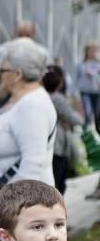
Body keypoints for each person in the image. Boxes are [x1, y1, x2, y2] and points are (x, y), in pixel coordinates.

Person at [0, 38, 57, 241]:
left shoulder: (33, 105)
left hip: (21, 212)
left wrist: (10, 211)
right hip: (10, 208)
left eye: (3, 69)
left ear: (17, 74)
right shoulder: (19, 100)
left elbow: (33, 164)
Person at [43, 65, 84, 195]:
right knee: (57, 184)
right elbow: (76, 119)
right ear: (60, 82)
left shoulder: (38, 97)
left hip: (45, 144)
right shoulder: (57, 98)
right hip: (58, 146)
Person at [72, 41, 100, 132]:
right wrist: (74, 92)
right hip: (85, 92)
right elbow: (75, 78)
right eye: (91, 50)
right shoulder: (81, 64)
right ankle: (87, 131)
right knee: (87, 112)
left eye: (95, 50)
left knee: (98, 113)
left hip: (97, 92)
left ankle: (98, 132)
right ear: (87, 51)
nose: (93, 53)